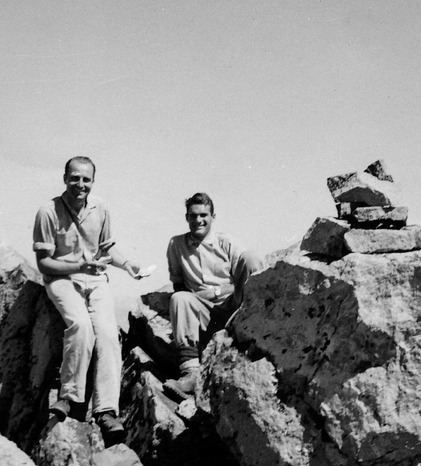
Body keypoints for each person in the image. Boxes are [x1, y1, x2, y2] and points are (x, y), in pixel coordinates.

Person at [33, 156, 140, 444]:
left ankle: (106, 410)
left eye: (86, 179)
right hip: (63, 280)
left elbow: (106, 251)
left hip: (96, 281)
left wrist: (127, 264)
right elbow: (45, 263)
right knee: (80, 326)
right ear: (65, 178)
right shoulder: (48, 212)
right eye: (75, 178)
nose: (80, 184)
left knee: (107, 335)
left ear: (93, 181)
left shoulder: (101, 208)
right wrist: (80, 267)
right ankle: (68, 397)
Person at [165, 192, 264, 397]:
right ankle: (190, 373)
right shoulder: (176, 245)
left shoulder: (226, 242)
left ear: (213, 217)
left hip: (233, 308)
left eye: (204, 215)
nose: (198, 220)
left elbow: (245, 272)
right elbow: (178, 286)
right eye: (193, 216)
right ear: (187, 218)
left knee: (252, 258)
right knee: (179, 298)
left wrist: (215, 292)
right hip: (204, 314)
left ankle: (254, 324)